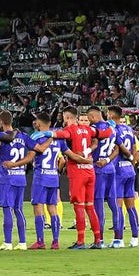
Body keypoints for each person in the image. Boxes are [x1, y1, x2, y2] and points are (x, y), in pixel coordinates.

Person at [50, 106, 100, 248]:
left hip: (78, 172)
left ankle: (80, 241)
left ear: (67, 118)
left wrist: (47, 133)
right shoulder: (89, 130)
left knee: (79, 207)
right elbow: (101, 135)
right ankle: (97, 240)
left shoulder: (70, 130)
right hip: (90, 171)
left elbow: (61, 136)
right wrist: (90, 151)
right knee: (90, 207)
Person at [0, 111, 34, 250]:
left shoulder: (3, 137)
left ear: (0, 122)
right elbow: (34, 151)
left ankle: (8, 242)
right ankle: (22, 242)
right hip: (21, 176)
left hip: (7, 177)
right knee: (18, 209)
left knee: (7, 208)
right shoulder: (23, 136)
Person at [27, 111, 66, 249]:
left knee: (38, 207)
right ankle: (55, 241)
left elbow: (31, 155)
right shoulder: (58, 138)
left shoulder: (36, 137)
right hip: (53, 177)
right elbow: (64, 158)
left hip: (40, 176)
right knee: (53, 208)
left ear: (38, 123)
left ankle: (40, 241)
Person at [108, 106, 139, 247]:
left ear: (110, 115)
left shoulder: (114, 130)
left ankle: (119, 239)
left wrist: (127, 155)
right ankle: (135, 238)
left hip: (119, 171)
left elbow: (121, 147)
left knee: (118, 206)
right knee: (131, 206)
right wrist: (132, 162)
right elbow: (135, 148)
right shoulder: (129, 129)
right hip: (130, 170)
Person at [88, 106, 120, 248]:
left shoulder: (94, 130)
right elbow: (117, 148)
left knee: (98, 204)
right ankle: (118, 239)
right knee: (114, 204)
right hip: (110, 168)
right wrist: (107, 160)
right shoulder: (112, 128)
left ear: (93, 117)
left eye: (88, 118)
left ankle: (99, 240)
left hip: (97, 169)